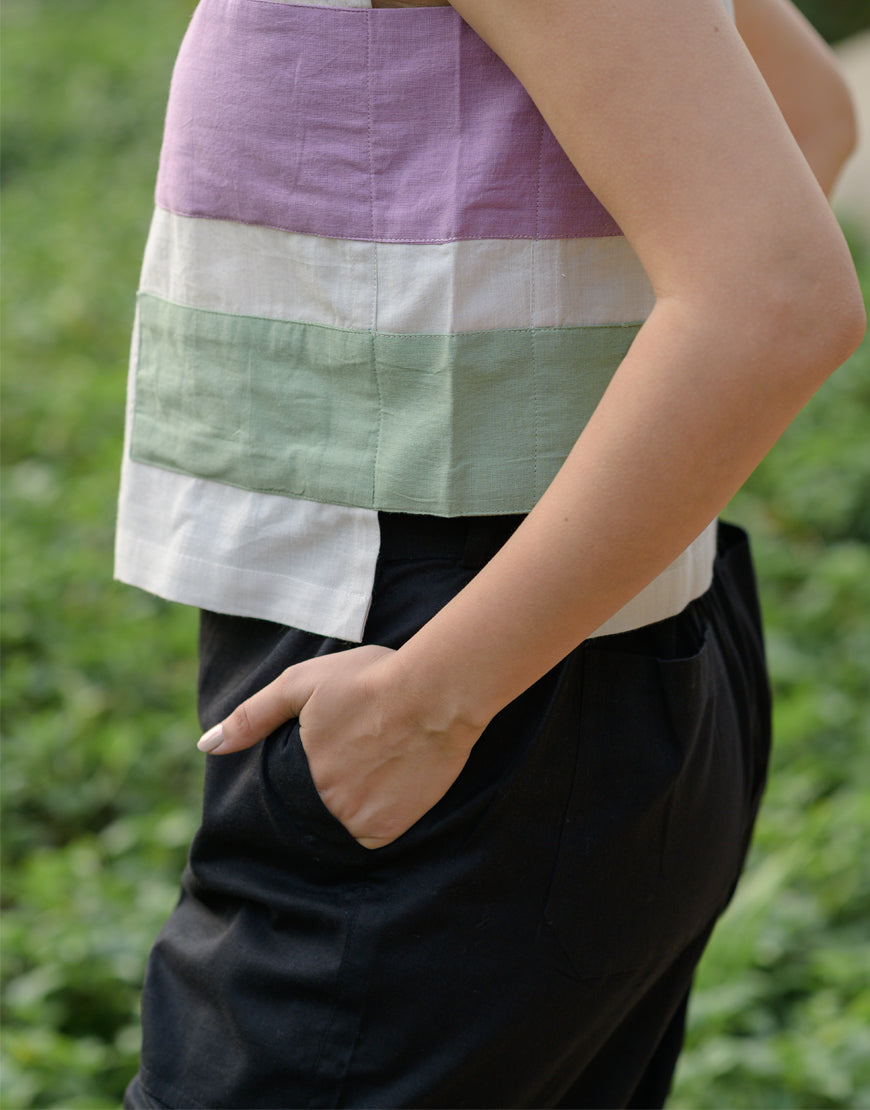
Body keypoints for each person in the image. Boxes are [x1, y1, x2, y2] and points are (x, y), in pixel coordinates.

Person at [116, 0, 864, 1105]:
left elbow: (776, 296)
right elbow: (810, 121)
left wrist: (436, 699)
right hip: (571, 661)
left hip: (457, 676)